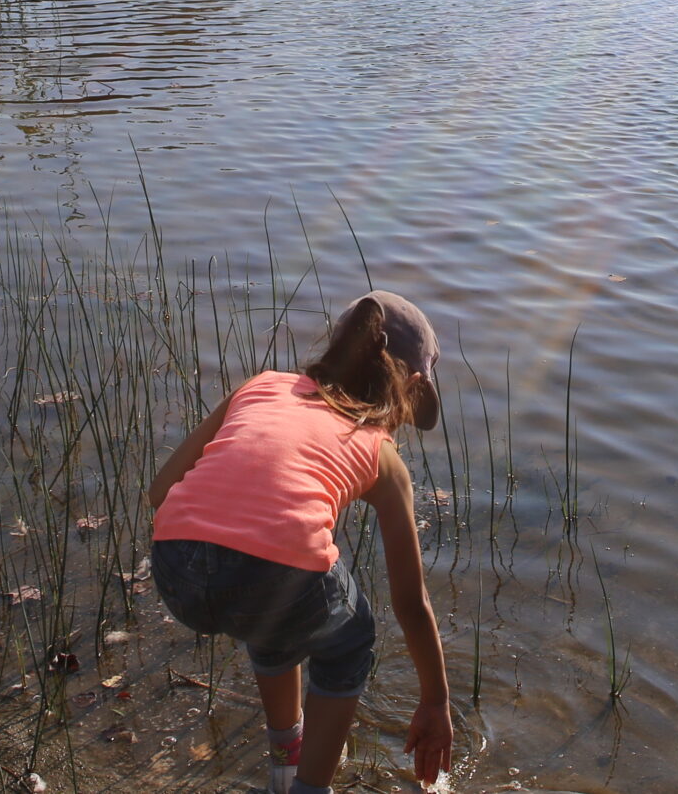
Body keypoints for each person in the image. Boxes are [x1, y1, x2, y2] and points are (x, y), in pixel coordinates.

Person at [147, 292, 455, 794]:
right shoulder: (381, 453)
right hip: (269, 578)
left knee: (274, 610)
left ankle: (285, 757)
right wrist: (435, 703)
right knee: (350, 637)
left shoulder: (262, 386)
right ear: (413, 385)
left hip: (174, 566)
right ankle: (309, 788)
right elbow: (411, 603)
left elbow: (161, 493)